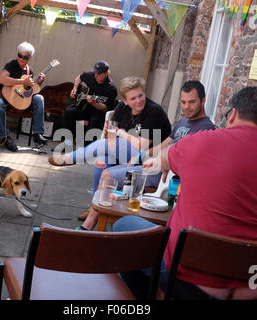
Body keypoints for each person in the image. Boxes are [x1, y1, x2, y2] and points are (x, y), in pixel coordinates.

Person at [114, 86, 257, 300]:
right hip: (250, 287)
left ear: (233, 115)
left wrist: (166, 165)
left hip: (188, 281)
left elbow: (163, 158)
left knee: (124, 227)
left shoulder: (201, 141)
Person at [78, 80, 215, 229]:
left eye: (192, 102)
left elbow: (193, 163)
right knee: (105, 170)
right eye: (183, 102)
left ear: (203, 101)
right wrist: (140, 156)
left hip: (167, 177)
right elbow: (160, 147)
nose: (186, 107)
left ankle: (89, 224)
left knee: (107, 176)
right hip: (152, 166)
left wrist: (160, 162)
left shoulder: (206, 128)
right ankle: (98, 214)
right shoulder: (182, 123)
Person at [49, 76, 171, 193]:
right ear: (125, 101)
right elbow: (111, 139)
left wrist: (121, 132)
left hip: (150, 158)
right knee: (102, 161)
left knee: (115, 144)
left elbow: (141, 146)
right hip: (125, 153)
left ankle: (73, 158)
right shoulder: (122, 108)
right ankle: (96, 208)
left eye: (141, 95)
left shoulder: (154, 111)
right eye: (133, 98)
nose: (138, 101)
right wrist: (111, 133)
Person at [0, 41, 47, 152]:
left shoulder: (29, 71)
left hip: (20, 101)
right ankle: (5, 138)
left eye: (25, 57)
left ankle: (38, 134)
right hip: (6, 100)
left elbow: (28, 92)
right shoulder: (12, 64)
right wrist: (23, 81)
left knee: (39, 98)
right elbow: (2, 79)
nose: (21, 59)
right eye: (19, 56)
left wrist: (39, 82)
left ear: (30, 57)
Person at [56, 60, 118, 150]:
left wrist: (93, 102)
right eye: (95, 72)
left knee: (95, 121)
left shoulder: (111, 88)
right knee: (70, 112)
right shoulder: (91, 75)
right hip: (85, 107)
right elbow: (79, 78)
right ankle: (67, 143)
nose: (96, 75)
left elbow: (104, 108)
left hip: (98, 111)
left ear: (106, 73)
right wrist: (75, 88)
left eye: (99, 73)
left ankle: (87, 149)